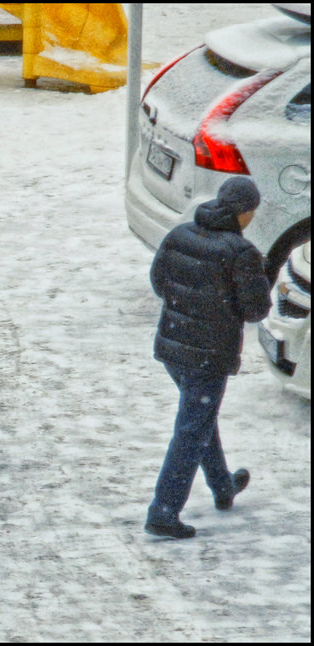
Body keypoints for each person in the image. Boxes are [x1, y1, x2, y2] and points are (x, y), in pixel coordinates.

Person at [145, 176, 272, 539]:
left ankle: (222, 486)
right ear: (245, 212)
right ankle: (163, 512)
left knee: (198, 417)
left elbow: (159, 282)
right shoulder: (240, 252)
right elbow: (256, 310)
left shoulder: (181, 234)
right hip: (209, 357)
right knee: (192, 429)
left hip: (174, 348)